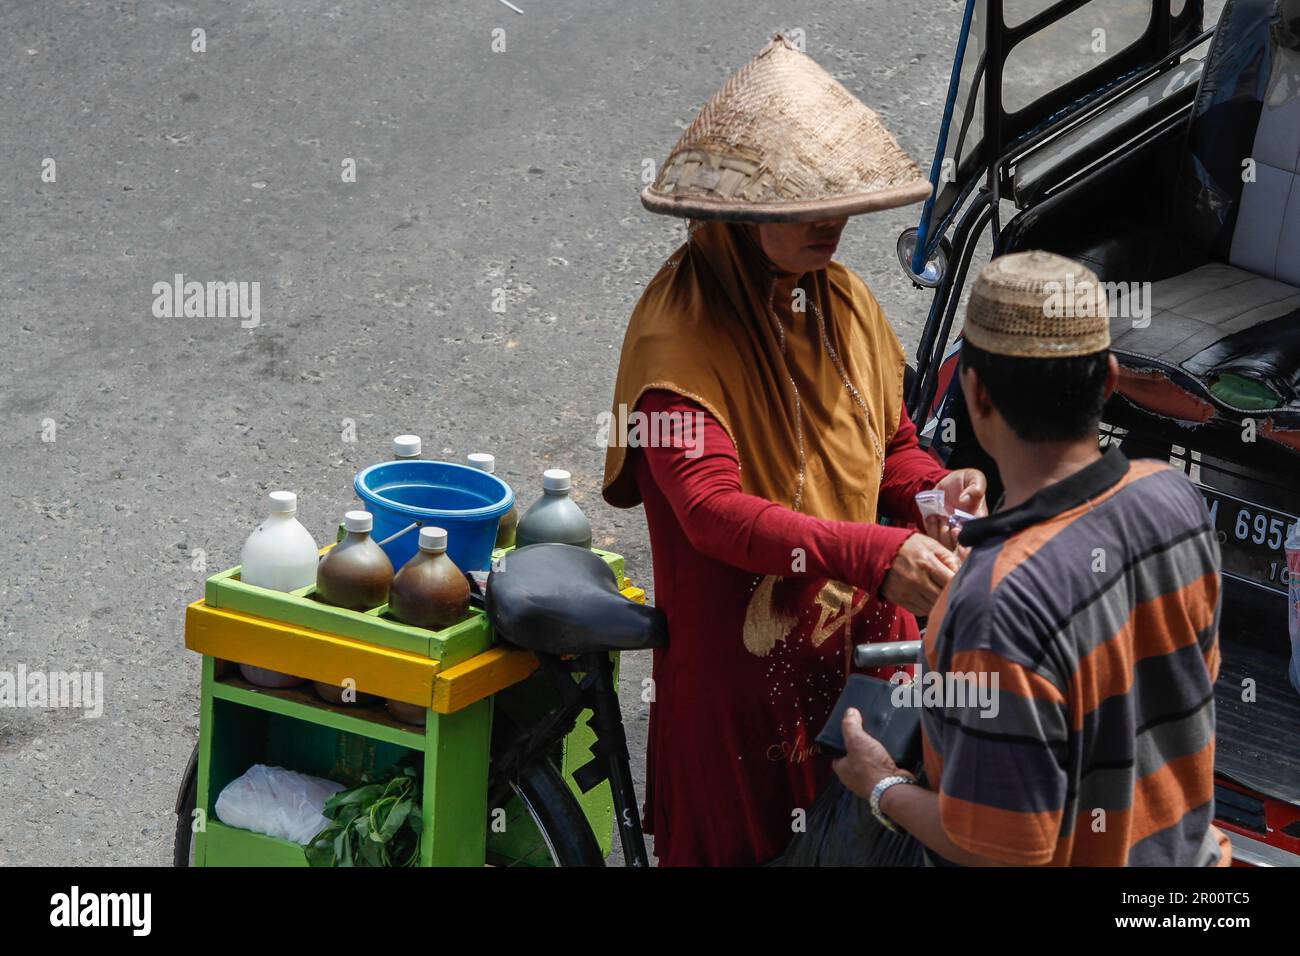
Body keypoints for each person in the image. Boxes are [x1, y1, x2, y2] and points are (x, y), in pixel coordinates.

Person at [602, 35, 987, 866]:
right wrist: (877, 550)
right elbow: (709, 513)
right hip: (745, 681)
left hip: (861, 660)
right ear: (740, 217)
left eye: (841, 203)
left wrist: (934, 493)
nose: (833, 224)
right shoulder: (678, 338)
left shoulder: (840, 298)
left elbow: (887, 443)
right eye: (805, 206)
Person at [833, 251, 1231, 866]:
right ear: (1108, 381)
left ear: (976, 393)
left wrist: (882, 784)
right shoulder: (1172, 498)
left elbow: (999, 850)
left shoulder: (994, 605)